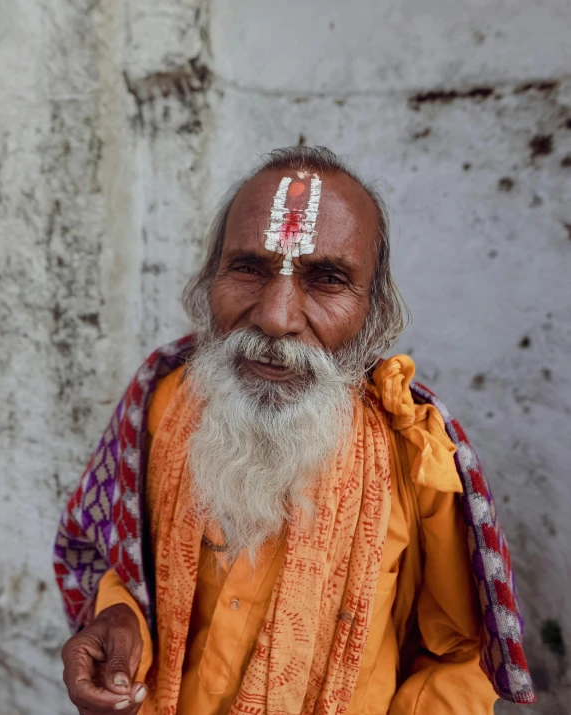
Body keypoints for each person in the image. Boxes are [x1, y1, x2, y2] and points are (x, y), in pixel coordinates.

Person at [55, 147, 534, 714]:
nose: (276, 317)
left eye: (327, 278)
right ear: (210, 280)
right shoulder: (159, 406)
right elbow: (119, 558)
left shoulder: (416, 454)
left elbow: (461, 652)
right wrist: (118, 616)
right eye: (249, 268)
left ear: (374, 312)